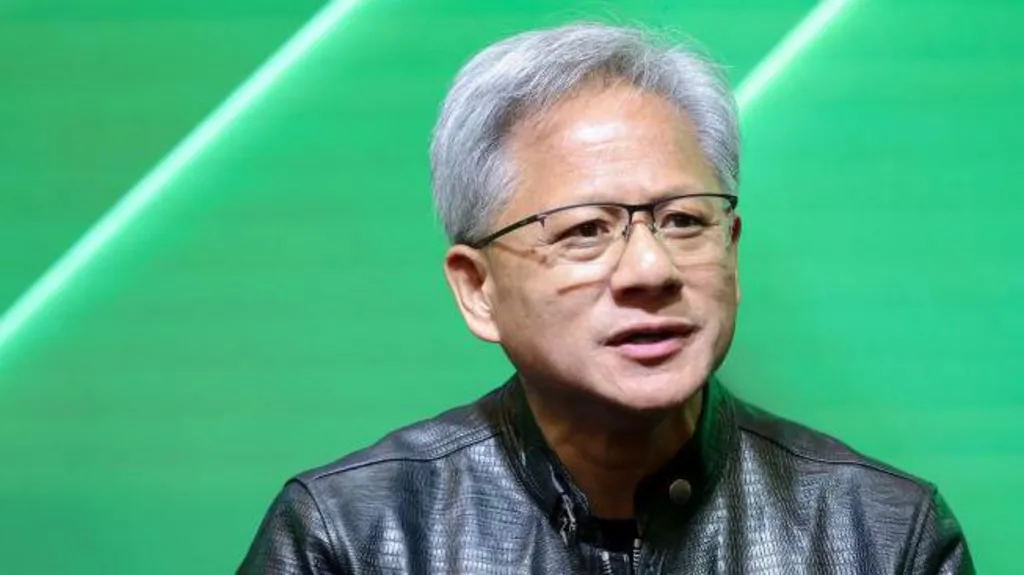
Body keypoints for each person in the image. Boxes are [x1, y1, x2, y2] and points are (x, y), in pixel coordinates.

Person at [239, 23, 973, 574]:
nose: (651, 268)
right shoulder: (351, 538)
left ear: (732, 249)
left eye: (683, 221)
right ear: (478, 289)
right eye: (586, 229)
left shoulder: (883, 534)